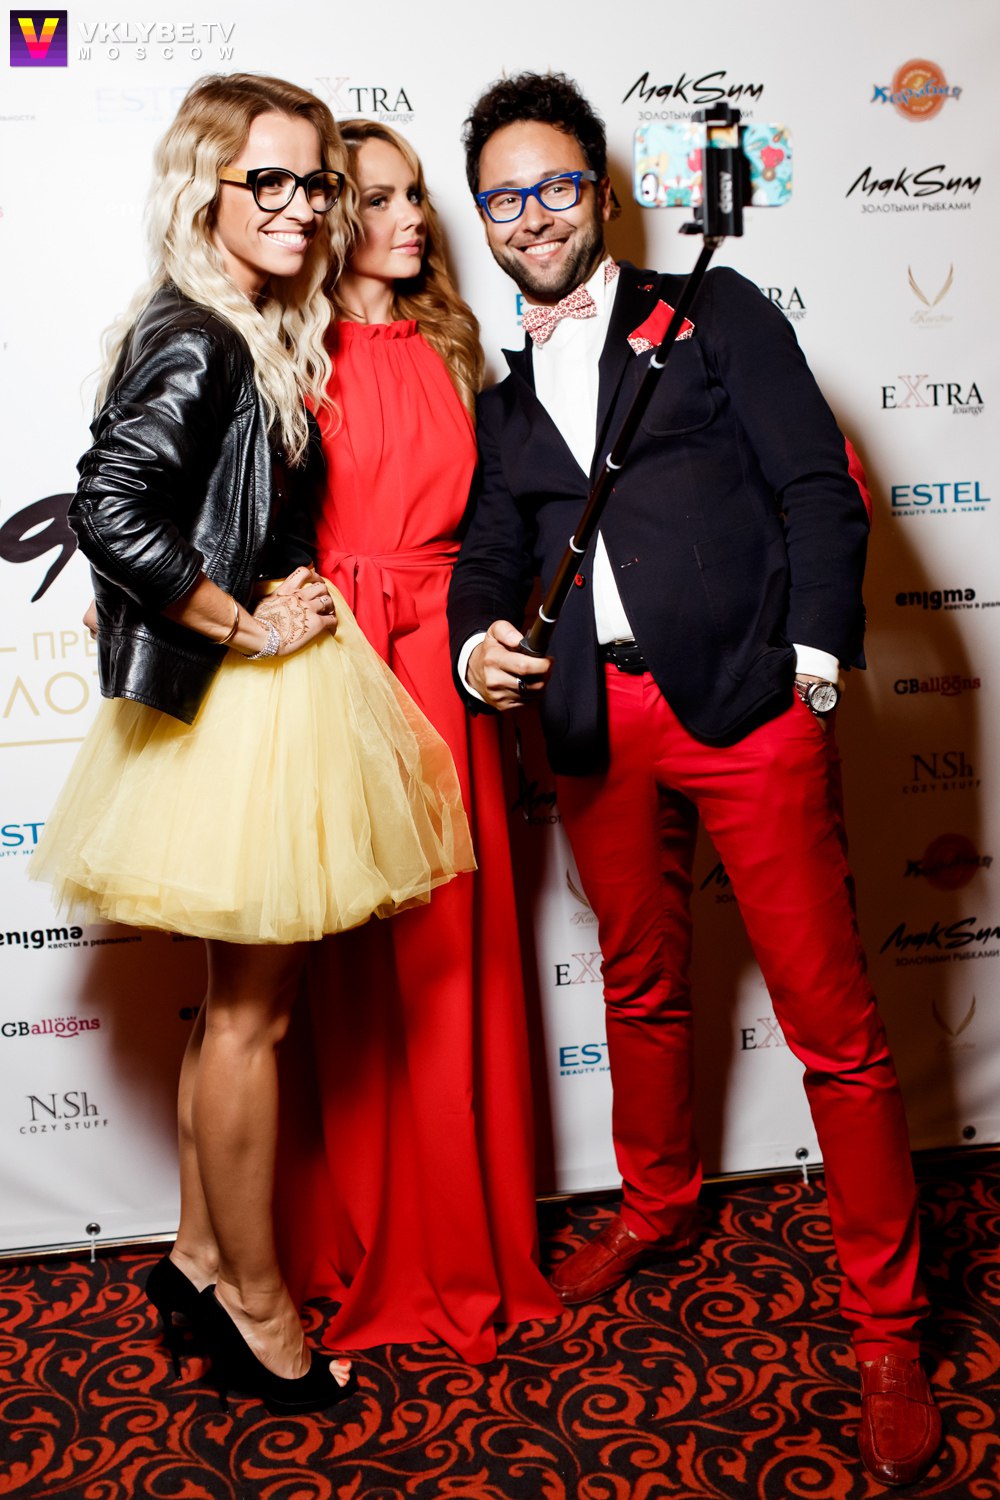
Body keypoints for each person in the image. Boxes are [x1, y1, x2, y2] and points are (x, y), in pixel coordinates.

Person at [447, 71, 941, 1486]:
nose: (532, 216)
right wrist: (478, 645)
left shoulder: (712, 313)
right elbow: (490, 552)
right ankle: (655, 1205)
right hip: (595, 723)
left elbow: (816, 485)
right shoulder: (503, 397)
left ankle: (889, 1326)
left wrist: (813, 663)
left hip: (747, 707)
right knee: (641, 985)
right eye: (503, 198)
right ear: (483, 219)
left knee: (833, 1026)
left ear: (600, 194)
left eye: (555, 186)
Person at [29, 73, 473, 1414]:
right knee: (249, 1021)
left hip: (246, 708)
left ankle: (199, 1257)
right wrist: (242, 618)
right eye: (263, 180)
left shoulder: (242, 324)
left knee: (236, 1012)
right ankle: (257, 1306)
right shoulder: (203, 338)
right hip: (242, 707)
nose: (297, 205)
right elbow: (111, 506)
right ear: (204, 191)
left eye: (310, 182)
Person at [274, 119, 559, 1361]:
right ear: (332, 214)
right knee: (348, 960)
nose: (410, 218)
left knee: (452, 951)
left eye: (414, 196)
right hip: (334, 661)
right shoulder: (282, 350)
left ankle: (462, 1238)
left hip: (443, 664)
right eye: (378, 198)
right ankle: (352, 1234)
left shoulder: (457, 350)